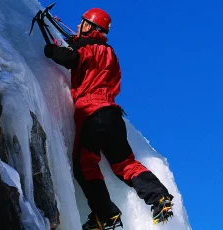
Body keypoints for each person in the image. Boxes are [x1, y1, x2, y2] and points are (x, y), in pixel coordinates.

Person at [44, 8, 174, 230]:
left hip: (92, 113)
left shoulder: (88, 46)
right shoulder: (110, 53)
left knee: (84, 164)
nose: (77, 26)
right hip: (113, 114)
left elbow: (72, 58)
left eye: (82, 23)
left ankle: (106, 215)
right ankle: (159, 197)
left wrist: (50, 51)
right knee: (125, 163)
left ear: (89, 26)